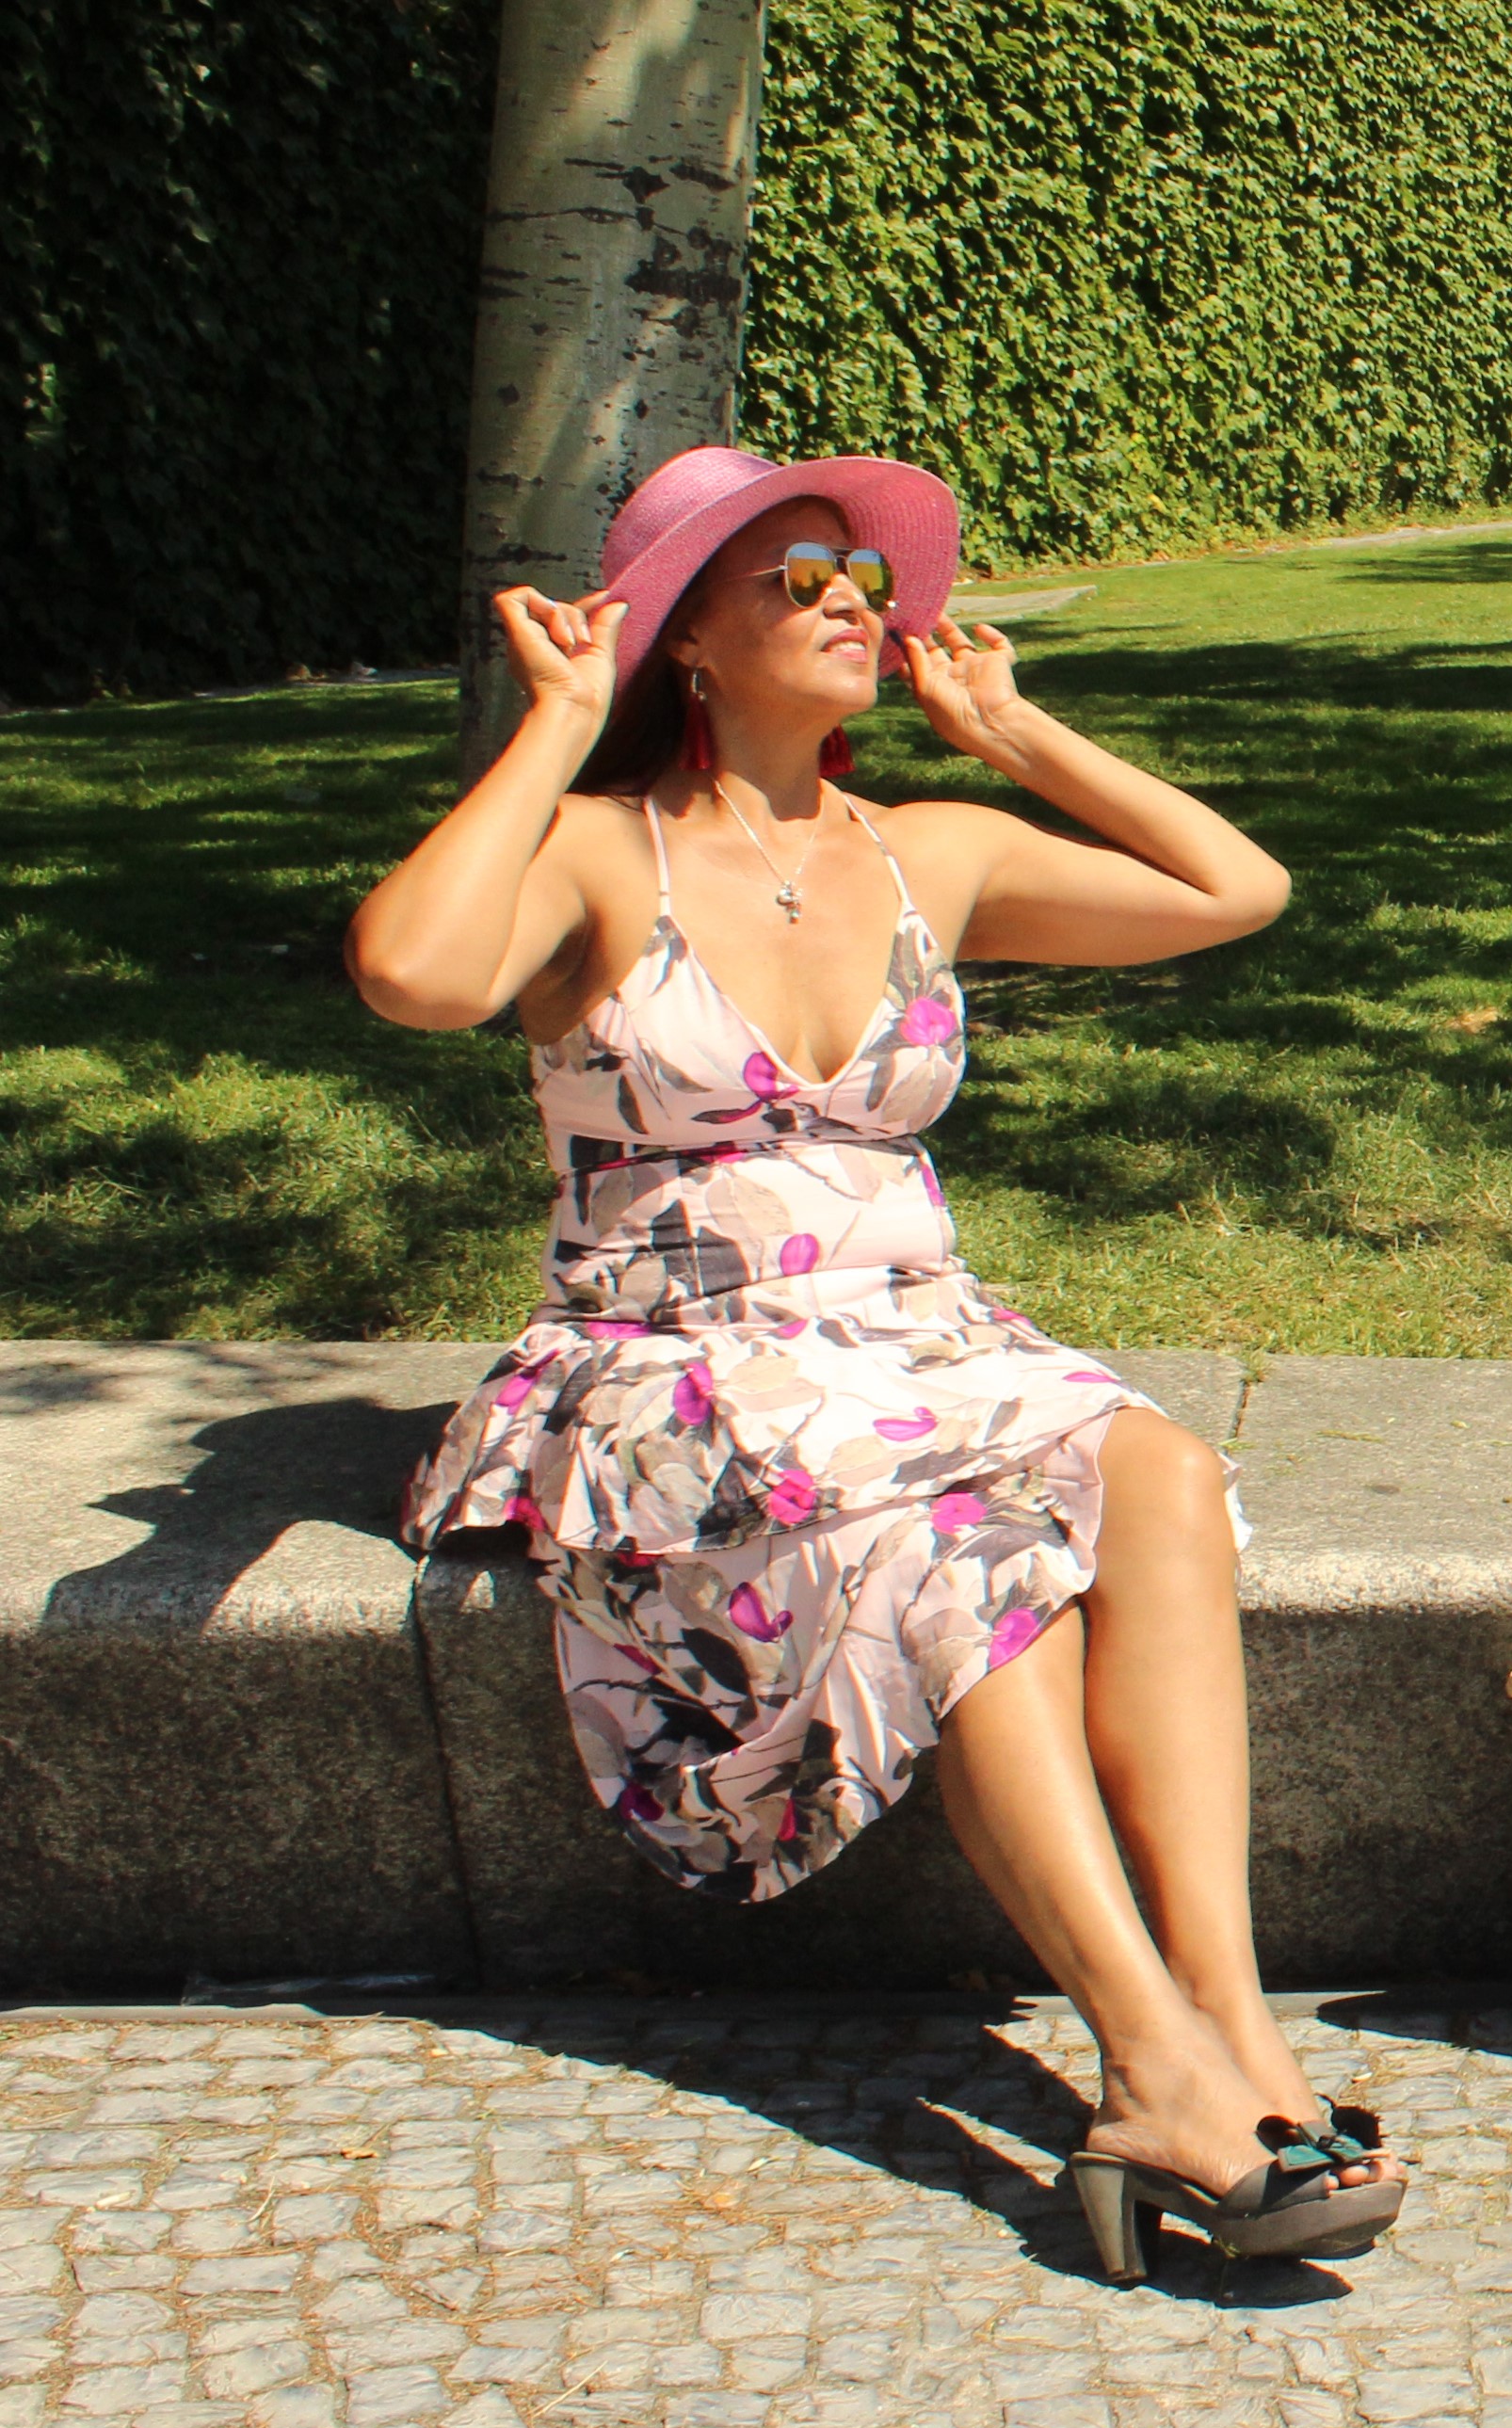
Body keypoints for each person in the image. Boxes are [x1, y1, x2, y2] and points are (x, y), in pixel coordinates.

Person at [347, 444, 1405, 2279]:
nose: (854, 597)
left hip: (917, 1337)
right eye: (796, 573)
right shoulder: (604, 849)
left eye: (861, 571)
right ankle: (1149, 2064)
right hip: (677, 1352)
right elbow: (410, 972)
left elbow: (1235, 888)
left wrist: (1015, 733)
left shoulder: (927, 849)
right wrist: (552, 724)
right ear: (686, 638)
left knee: (1151, 1467)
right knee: (955, 1555)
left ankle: (1231, 2024)